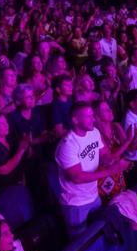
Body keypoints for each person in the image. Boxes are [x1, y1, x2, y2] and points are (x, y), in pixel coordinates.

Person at [55, 101, 130, 238]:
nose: (93, 119)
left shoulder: (94, 132)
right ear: (75, 120)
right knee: (79, 243)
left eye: (93, 116)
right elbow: (77, 177)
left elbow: (105, 155)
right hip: (76, 203)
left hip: (94, 196)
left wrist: (116, 162)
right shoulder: (68, 145)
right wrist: (111, 171)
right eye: (89, 116)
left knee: (98, 234)